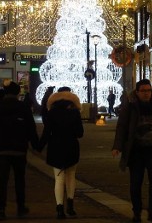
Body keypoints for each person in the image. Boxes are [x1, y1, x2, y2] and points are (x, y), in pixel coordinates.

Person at [111, 78, 152, 223]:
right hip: (136, 151)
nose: (146, 93)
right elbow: (122, 126)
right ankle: (136, 212)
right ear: (137, 92)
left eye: (148, 90)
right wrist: (117, 146)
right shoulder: (130, 106)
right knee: (135, 183)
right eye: (143, 91)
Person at [0, 81, 39, 221]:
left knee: (2, 181)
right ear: (17, 93)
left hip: (1, 150)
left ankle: (1, 209)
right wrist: (37, 146)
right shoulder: (23, 108)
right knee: (19, 180)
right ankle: (21, 207)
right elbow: (31, 129)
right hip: (19, 150)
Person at [39, 87, 84, 220]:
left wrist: (39, 146)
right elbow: (80, 133)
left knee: (59, 178)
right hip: (71, 146)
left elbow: (46, 132)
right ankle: (70, 205)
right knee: (71, 176)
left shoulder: (51, 112)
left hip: (56, 147)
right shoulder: (75, 112)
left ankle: (59, 208)